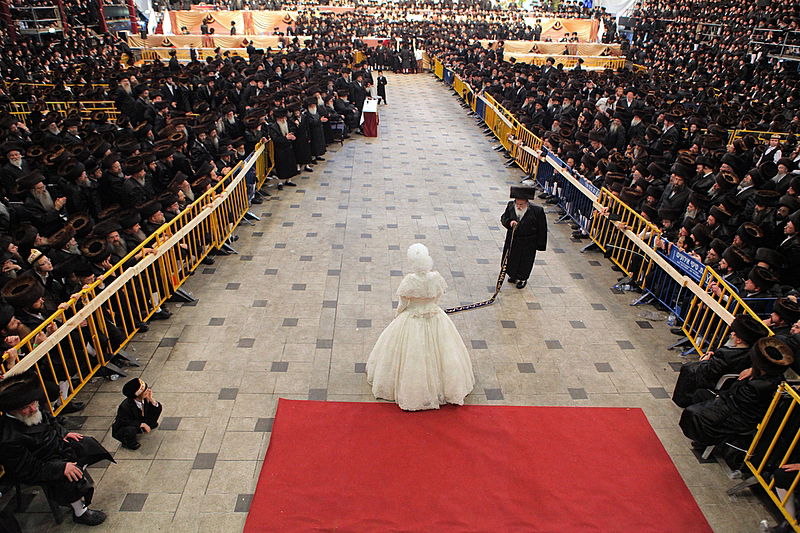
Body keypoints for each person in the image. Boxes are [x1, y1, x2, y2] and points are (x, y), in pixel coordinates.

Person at [366, 243, 475, 411]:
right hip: (435, 316)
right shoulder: (436, 278)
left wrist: (398, 316)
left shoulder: (409, 281)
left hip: (413, 318)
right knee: (444, 353)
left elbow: (403, 304)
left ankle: (415, 392)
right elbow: (438, 298)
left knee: (412, 356)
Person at [0, 371, 113, 526]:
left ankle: (80, 473)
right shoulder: (8, 436)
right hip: (39, 464)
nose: (33, 409)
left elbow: (51, 421)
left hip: (55, 448)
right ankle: (80, 512)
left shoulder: (32, 410)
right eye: (26, 407)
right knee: (69, 477)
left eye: (34, 403)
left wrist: (64, 433)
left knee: (87, 444)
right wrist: (60, 468)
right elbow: (27, 468)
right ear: (11, 410)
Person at [500, 186, 548, 289]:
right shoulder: (510, 206)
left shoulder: (537, 211)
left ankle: (522, 278)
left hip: (528, 242)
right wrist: (509, 222)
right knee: (511, 259)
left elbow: (542, 228)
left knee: (525, 261)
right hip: (513, 240)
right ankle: (512, 274)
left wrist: (540, 244)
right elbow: (504, 218)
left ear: (526, 202)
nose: (518, 206)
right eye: (517, 204)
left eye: (521, 204)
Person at [111, 378, 163, 450]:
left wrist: (151, 399)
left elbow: (155, 409)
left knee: (156, 407)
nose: (149, 391)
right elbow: (124, 421)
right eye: (145, 391)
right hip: (125, 426)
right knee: (130, 430)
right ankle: (130, 443)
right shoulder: (124, 407)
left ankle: (148, 425)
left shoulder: (145, 398)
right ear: (138, 396)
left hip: (138, 419)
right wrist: (141, 424)